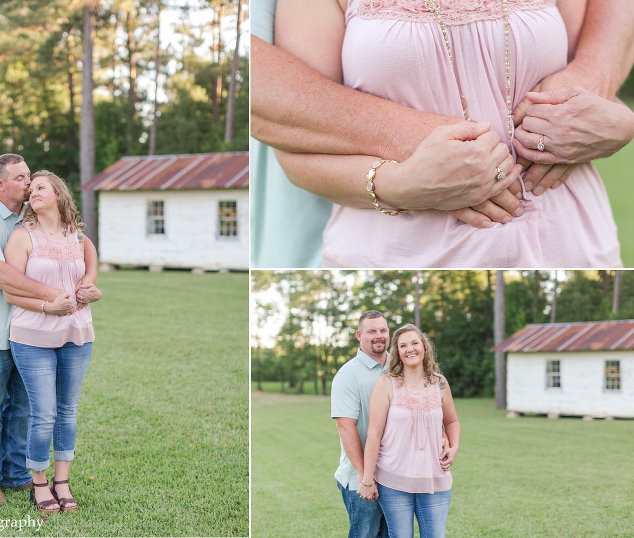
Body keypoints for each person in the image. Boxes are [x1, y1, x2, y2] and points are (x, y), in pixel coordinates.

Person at [251, 0, 634, 268]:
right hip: (389, 260)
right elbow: (296, 144)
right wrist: (399, 184)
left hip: (576, 250)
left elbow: (591, 69)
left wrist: (618, 119)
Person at [0, 153, 100, 504]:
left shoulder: (31, 219)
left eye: (31, 178)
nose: (28, 182)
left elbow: (80, 244)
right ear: (0, 184)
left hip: (28, 333)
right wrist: (53, 295)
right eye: (21, 178)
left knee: (22, 410)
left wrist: (88, 282)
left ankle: (16, 474)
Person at [3, 170, 100, 514]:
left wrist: (91, 288)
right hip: (32, 336)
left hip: (77, 334)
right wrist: (47, 305)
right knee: (43, 414)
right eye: (31, 189)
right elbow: (10, 290)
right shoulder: (21, 237)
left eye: (40, 187)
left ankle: (63, 481)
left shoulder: (77, 236)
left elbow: (90, 269)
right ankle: (39, 482)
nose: (33, 192)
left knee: (67, 412)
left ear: (58, 194)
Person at [331, 311, 455, 538]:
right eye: (371, 331)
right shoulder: (348, 375)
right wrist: (365, 476)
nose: (378, 336)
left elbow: (420, 408)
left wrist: (441, 432)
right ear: (359, 335)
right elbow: (345, 428)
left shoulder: (403, 364)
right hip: (362, 475)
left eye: (383, 330)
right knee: (366, 534)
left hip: (396, 473)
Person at [359, 324, 460, 538]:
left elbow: (451, 422)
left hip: (435, 477)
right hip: (393, 480)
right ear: (397, 352)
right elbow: (374, 435)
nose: (409, 349)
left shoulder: (439, 383)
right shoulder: (386, 383)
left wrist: (454, 446)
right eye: (403, 345)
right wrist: (368, 479)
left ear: (424, 347)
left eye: (414, 343)